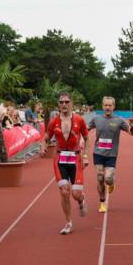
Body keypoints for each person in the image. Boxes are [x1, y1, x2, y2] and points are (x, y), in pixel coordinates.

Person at [42, 91, 89, 234]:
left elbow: (87, 138)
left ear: (71, 103)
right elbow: (47, 136)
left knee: (75, 194)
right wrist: (43, 144)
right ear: (58, 104)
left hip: (75, 158)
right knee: (64, 192)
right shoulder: (53, 121)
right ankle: (68, 222)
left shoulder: (79, 120)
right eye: (61, 102)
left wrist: (85, 155)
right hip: (60, 158)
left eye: (67, 102)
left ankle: (81, 199)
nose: (64, 104)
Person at [87, 96, 133, 213]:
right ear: (102, 106)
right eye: (106, 105)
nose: (107, 107)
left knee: (107, 179)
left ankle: (111, 183)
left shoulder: (119, 120)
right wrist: (80, 137)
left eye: (110, 105)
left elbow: (131, 133)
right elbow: (86, 129)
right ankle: (102, 202)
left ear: (113, 106)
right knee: (100, 177)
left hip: (111, 154)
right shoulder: (96, 119)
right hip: (98, 152)